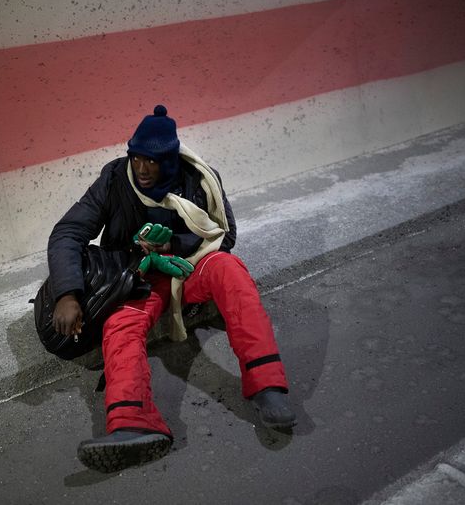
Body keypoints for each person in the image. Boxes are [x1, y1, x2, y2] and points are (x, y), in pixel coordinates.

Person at [47, 105, 295, 472]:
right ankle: (134, 423)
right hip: (137, 276)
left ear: (170, 159)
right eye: (137, 158)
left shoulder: (200, 178)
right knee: (120, 327)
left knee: (230, 270)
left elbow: (224, 236)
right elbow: (68, 232)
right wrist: (67, 292)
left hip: (188, 266)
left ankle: (267, 386)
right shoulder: (115, 178)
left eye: (153, 161)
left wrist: (173, 246)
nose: (143, 169)